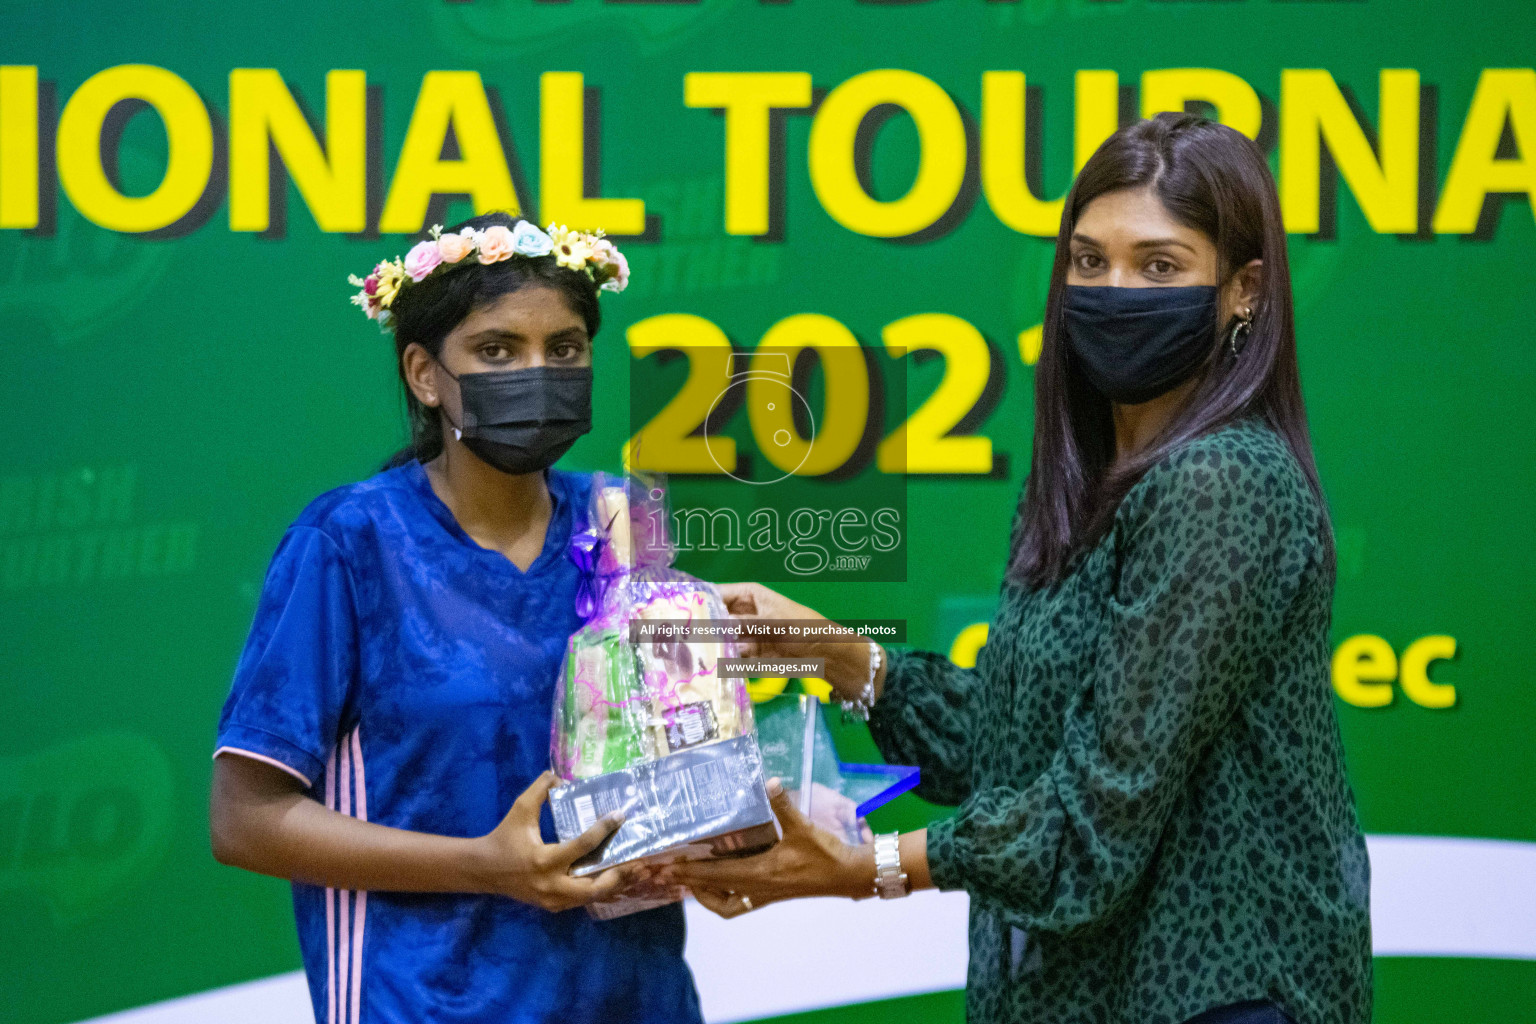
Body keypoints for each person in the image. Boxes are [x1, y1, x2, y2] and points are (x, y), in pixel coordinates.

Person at [662, 112, 1373, 1024]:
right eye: (1089, 262)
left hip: (1213, 997)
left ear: (1244, 290)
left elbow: (1093, 817)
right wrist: (838, 657)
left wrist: (866, 868)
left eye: (1159, 266)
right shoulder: (1083, 480)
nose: (1115, 291)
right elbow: (1013, 752)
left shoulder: (1222, 481)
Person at [208, 213, 703, 1024]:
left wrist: (726, 829)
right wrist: (486, 866)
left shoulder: (622, 516)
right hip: (427, 1002)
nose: (539, 372)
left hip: (637, 999)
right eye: (499, 351)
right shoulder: (348, 544)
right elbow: (245, 820)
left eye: (566, 349)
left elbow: (671, 752)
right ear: (424, 373)